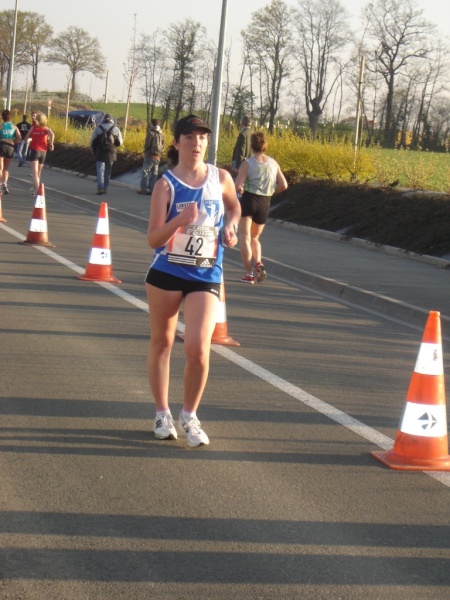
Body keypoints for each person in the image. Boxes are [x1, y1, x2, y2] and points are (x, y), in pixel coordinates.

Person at [145, 114, 241, 447]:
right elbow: (154, 238)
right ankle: (162, 413)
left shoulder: (221, 178)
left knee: (199, 349)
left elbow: (235, 209)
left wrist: (231, 227)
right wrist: (179, 222)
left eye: (202, 137)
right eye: (189, 137)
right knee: (163, 343)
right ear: (176, 143)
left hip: (206, 272)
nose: (196, 143)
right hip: (167, 272)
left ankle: (190, 415)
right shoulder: (166, 185)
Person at [234, 131, 288, 284]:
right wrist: (271, 191)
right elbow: (284, 185)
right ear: (265, 145)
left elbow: (237, 185)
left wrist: (241, 190)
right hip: (265, 201)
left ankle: (248, 273)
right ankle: (258, 262)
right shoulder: (273, 163)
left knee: (244, 237)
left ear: (251, 145)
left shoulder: (248, 163)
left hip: (249, 199)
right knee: (255, 238)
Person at [89, 113, 123, 195]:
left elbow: (92, 141)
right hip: (111, 154)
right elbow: (120, 143)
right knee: (107, 172)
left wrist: (93, 152)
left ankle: (100, 187)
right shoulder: (116, 129)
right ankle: (105, 188)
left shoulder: (98, 129)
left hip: (100, 153)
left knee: (100, 171)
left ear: (104, 119)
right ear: (112, 120)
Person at [23, 112, 55, 197]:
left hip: (34, 151)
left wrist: (31, 139)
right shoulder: (46, 129)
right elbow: (52, 134)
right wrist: (51, 144)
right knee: (38, 173)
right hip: (43, 152)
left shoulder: (33, 128)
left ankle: (38, 191)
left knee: (34, 172)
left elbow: (26, 139)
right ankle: (34, 188)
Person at [138, 118, 165, 195]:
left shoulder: (151, 133)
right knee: (154, 174)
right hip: (157, 157)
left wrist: (145, 151)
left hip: (149, 155)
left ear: (153, 125)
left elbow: (147, 144)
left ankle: (143, 189)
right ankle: (152, 189)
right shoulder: (162, 134)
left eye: (151, 124)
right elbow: (163, 145)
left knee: (145, 172)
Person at [0, 110, 21, 195]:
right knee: (6, 168)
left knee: (0, 168)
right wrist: (14, 143)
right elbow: (19, 137)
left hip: (1, 145)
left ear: (2, 117)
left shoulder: (1, 126)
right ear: (10, 117)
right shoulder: (14, 126)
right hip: (10, 146)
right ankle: (5, 183)